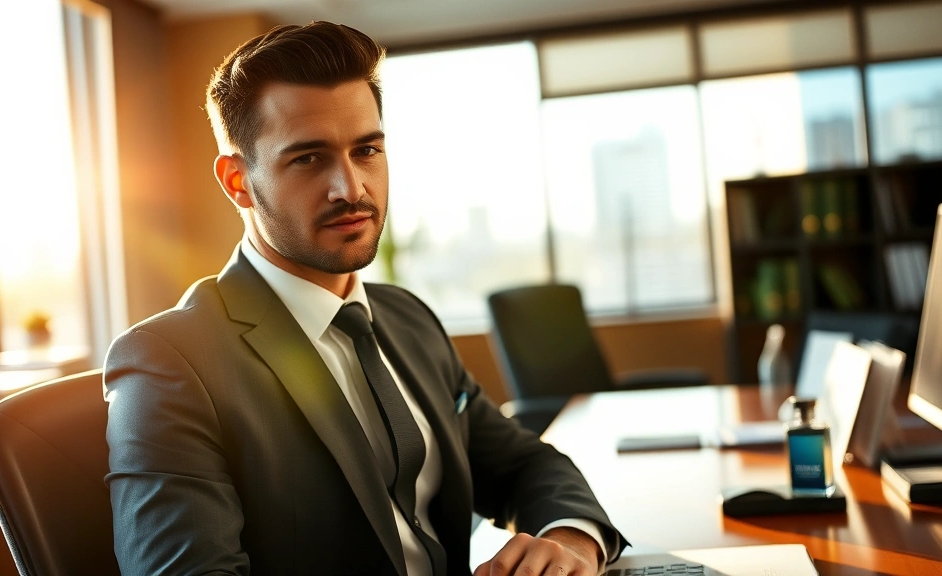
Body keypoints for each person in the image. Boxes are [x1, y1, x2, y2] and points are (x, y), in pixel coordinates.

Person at [104, 21, 627, 576]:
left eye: (366, 149)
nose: (350, 188)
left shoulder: (406, 318)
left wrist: (570, 540)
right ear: (238, 182)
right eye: (308, 158)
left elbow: (523, 463)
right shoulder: (169, 364)